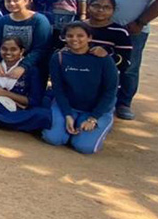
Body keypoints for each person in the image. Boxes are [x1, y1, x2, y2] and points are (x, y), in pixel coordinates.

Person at [42, 22, 118, 154]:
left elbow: (110, 91)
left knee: (84, 147)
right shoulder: (58, 57)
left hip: (95, 110)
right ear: (64, 38)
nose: (74, 39)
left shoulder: (103, 59)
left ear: (89, 37)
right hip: (69, 106)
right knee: (53, 139)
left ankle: (100, 125)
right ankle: (69, 124)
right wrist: (67, 115)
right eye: (69, 36)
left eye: (80, 35)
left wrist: (93, 118)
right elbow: (58, 89)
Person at [0, 0, 53, 79]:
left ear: (26, 1)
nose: (12, 3)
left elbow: (41, 49)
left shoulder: (39, 20)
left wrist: (23, 66)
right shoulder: (1, 21)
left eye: (16, 0)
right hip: (5, 65)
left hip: (32, 68)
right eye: (8, 0)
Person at [85, 0, 133, 73]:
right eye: (96, 6)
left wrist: (107, 56)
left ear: (113, 10)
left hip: (105, 77)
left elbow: (125, 62)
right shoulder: (76, 27)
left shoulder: (119, 32)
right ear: (88, 7)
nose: (100, 10)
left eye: (106, 7)